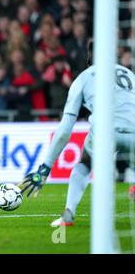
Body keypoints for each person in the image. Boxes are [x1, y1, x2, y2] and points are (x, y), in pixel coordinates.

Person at [18, 39, 135, 226]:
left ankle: (69, 213)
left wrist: (45, 168)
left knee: (85, 164)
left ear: (89, 57)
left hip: (106, 133)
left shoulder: (83, 78)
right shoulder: (129, 74)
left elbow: (65, 129)